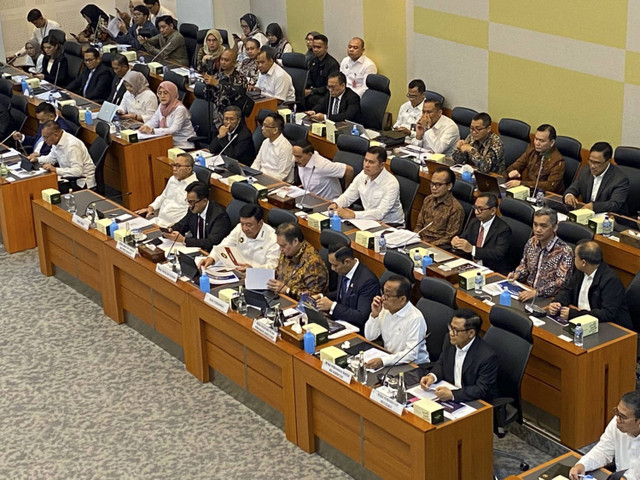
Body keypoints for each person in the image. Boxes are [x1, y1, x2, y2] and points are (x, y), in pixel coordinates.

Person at [419, 309, 499, 403]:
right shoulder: (450, 340)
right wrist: (432, 377)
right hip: (450, 392)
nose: (451, 333)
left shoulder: (487, 357)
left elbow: (481, 389)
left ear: (471, 333)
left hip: (473, 401)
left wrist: (453, 395)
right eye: (450, 327)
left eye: (455, 330)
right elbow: (441, 363)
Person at [549, 241, 632, 326]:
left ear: (584, 263)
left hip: (609, 326)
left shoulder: (611, 281)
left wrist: (575, 315)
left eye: (576, 257)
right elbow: (567, 290)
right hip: (583, 320)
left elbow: (607, 313)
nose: (574, 260)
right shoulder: (580, 272)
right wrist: (557, 302)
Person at [569, 390, 640, 480]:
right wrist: (582, 465)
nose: (617, 419)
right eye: (616, 412)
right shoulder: (617, 422)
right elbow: (603, 451)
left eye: (623, 417)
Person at [364, 275, 429, 369]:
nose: (383, 298)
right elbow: (370, 337)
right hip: (390, 359)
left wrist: (383, 361)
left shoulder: (415, 318)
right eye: (383, 293)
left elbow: (411, 354)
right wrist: (374, 315)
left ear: (402, 299)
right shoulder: (384, 309)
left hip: (413, 365)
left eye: (388, 295)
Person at [508, 208, 574, 300]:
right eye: (535, 224)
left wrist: (537, 292)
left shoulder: (565, 252)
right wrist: (517, 274)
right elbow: (525, 265)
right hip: (527, 291)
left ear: (555, 227)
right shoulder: (532, 242)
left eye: (543, 226)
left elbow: (561, 282)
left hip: (549, 299)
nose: (538, 229)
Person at [329, 146, 404, 226]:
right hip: (368, 220)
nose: (366, 165)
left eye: (371, 162)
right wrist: (336, 204)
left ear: (382, 165)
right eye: (365, 160)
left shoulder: (391, 184)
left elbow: (380, 213)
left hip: (390, 225)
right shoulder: (363, 174)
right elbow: (348, 196)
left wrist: (353, 215)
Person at [314, 244, 380, 332]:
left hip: (356, 330)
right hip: (340, 322)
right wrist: (321, 296)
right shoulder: (344, 270)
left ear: (347, 262)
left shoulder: (368, 281)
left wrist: (332, 306)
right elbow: (343, 293)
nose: (332, 268)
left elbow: (361, 316)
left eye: (335, 265)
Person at [199, 204, 280, 271]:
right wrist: (211, 258)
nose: (244, 228)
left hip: (256, 277)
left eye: (249, 225)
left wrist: (252, 269)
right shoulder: (239, 228)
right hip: (236, 270)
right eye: (242, 224)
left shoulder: (273, 239)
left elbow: (273, 267)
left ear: (260, 223)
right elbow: (225, 244)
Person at [451, 193, 511, 274]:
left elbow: (498, 254)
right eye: (475, 207)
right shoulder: (474, 222)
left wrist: (472, 249)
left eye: (480, 209)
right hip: (471, 266)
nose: (476, 212)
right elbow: (464, 239)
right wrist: (456, 243)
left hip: (492, 270)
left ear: (493, 211)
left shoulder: (503, 230)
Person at [164, 182, 232, 253]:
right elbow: (183, 224)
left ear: (204, 201)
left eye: (192, 202)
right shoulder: (193, 210)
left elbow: (211, 242)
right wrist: (170, 230)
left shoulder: (219, 216)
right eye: (188, 202)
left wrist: (184, 240)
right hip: (195, 250)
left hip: (211, 254)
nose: (190, 206)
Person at [564, 142, 630, 215]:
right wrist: (569, 195)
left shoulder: (620, 179)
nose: (592, 166)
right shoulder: (585, 171)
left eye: (597, 163)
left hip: (610, 219)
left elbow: (614, 204)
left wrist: (594, 206)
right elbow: (574, 187)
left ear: (608, 161)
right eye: (591, 161)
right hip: (587, 216)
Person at [267, 222, 328, 300]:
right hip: (280, 297)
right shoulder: (287, 251)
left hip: (299, 305)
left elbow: (314, 297)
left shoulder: (313, 263)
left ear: (295, 241)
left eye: (283, 246)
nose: (280, 249)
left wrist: (288, 290)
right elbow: (279, 273)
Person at [135, 153, 198, 227]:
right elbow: (163, 197)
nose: (174, 169)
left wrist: (176, 227)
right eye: (174, 165)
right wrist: (151, 207)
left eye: (178, 166)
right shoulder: (173, 179)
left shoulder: (194, 187)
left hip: (173, 227)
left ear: (189, 169)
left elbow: (191, 214)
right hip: (159, 220)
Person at [32, 121, 96, 191]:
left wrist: (55, 170)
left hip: (82, 182)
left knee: (46, 188)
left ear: (56, 135)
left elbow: (78, 171)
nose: (44, 140)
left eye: (46, 137)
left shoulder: (72, 146)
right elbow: (51, 159)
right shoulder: (56, 141)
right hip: (69, 177)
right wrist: (36, 159)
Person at [505, 124, 565, 195]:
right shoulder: (532, 151)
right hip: (527, 192)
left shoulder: (557, 161)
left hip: (545, 197)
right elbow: (514, 166)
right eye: (536, 139)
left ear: (551, 143)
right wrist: (512, 172)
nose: (537, 143)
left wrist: (522, 183)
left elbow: (550, 186)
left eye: (542, 141)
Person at [415, 167, 464, 247]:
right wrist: (415, 238)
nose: (433, 188)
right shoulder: (428, 200)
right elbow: (419, 225)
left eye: (438, 185)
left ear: (449, 186)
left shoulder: (455, 209)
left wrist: (427, 245)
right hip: (420, 241)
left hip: (437, 247)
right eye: (432, 184)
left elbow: (449, 238)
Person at [140, 81, 197, 149]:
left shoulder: (180, 109)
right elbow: (154, 121)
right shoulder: (162, 106)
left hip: (182, 145)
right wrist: (145, 127)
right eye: (160, 93)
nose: (162, 96)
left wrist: (152, 130)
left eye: (165, 93)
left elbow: (173, 130)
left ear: (172, 93)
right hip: (167, 142)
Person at [202, 49, 248, 129]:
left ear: (234, 62)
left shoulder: (240, 78)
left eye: (226, 60)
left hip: (233, 118)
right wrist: (207, 85)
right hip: (217, 117)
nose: (223, 62)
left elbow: (234, 96)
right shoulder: (217, 76)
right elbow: (208, 97)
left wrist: (217, 84)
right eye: (221, 59)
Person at [251, 113, 294, 182]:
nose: (262, 128)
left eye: (266, 126)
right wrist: (251, 175)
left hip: (274, 182)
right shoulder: (265, 142)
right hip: (259, 178)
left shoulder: (285, 147)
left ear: (275, 130)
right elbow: (257, 162)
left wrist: (263, 180)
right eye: (262, 125)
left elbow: (282, 175)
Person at [305, 34, 340, 109]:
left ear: (326, 48)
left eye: (318, 47)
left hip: (326, 94)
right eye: (314, 47)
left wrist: (312, 91)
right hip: (314, 91)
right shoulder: (312, 61)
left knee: (311, 100)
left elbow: (330, 87)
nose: (315, 50)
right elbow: (309, 80)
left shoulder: (332, 64)